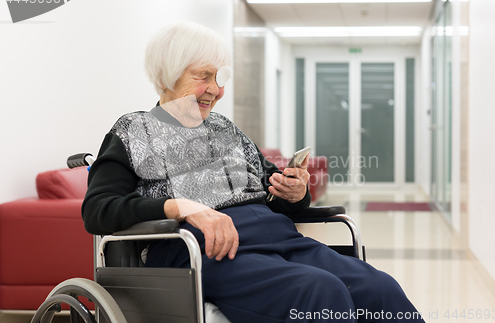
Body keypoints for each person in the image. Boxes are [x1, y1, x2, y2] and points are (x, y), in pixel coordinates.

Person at [82, 21, 425, 323]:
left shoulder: (226, 130)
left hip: (279, 239)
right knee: (319, 294)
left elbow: (274, 191)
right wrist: (181, 206)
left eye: (220, 78)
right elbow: (97, 210)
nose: (215, 90)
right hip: (206, 251)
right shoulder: (133, 131)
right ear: (168, 76)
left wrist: (294, 192)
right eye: (203, 77)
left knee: (380, 290)